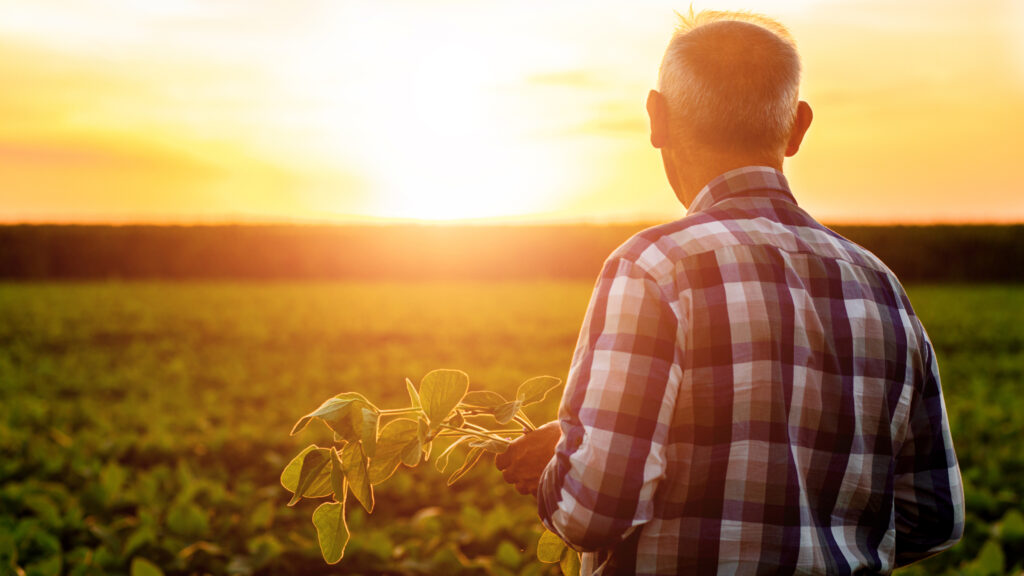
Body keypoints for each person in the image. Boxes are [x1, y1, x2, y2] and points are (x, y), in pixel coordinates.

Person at [495, 9, 964, 575]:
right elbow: (935, 516)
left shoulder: (654, 267)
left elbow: (596, 509)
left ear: (656, 118)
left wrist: (562, 468)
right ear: (798, 127)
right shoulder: (882, 286)